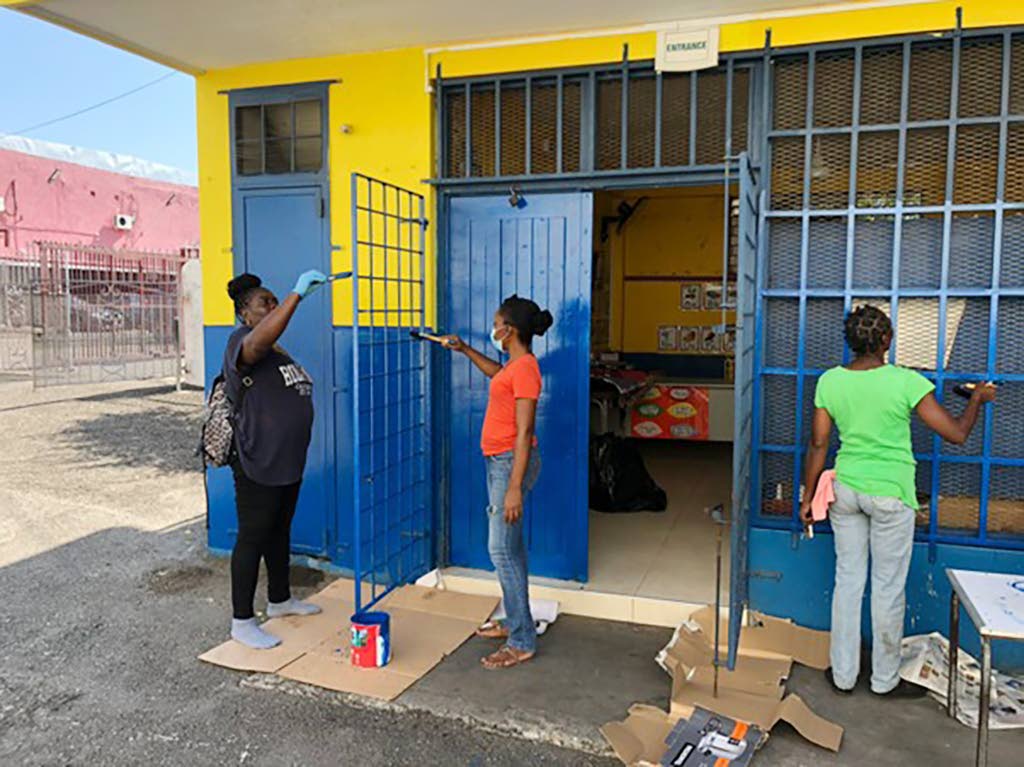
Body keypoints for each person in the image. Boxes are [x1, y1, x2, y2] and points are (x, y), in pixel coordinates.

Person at [801, 305, 996, 696]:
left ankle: (843, 675)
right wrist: (977, 399)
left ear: (850, 341)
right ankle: (884, 681)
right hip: (891, 493)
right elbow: (956, 434)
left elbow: (819, 443)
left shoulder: (830, 381)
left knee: (847, 582)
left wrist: (807, 498)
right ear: (887, 340)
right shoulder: (906, 382)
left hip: (846, 491)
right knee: (887, 587)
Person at [441, 295, 553, 669]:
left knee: (501, 550)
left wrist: (514, 487)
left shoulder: (526, 370)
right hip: (500, 461)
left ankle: (522, 640)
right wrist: (464, 349)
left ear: (509, 330)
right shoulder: (514, 366)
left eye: (495, 324)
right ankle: (516, 621)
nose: (493, 330)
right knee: (511, 549)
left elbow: (525, 432)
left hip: (510, 465)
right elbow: (497, 375)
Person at [223, 269, 329, 649]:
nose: (271, 306)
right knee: (253, 536)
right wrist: (294, 296)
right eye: (263, 303)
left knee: (280, 530)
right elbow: (259, 340)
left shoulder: (276, 351)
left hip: (286, 461)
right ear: (244, 314)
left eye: (274, 301)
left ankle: (280, 600)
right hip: (258, 460)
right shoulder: (242, 342)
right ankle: (242, 621)